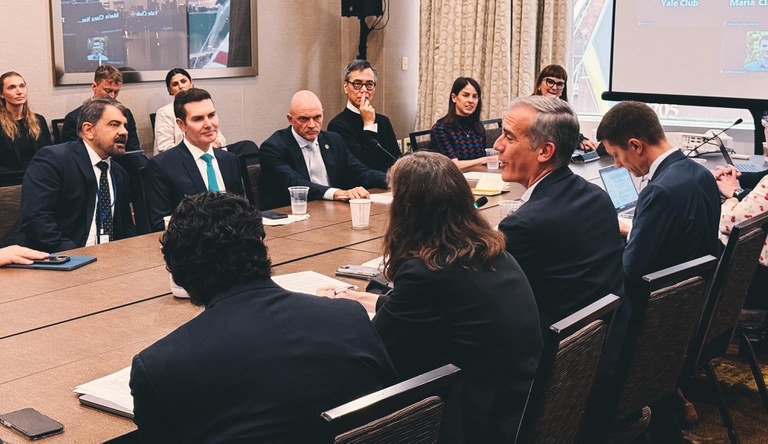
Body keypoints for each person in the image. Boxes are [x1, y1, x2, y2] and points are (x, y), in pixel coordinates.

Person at [129, 192, 397, 442]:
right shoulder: (347, 316)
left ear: (179, 275)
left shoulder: (158, 367)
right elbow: (396, 406)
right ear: (261, 251)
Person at [323, 152, 542, 442]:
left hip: (471, 425)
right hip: (518, 410)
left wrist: (331, 317)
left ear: (407, 209)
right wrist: (363, 300)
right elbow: (439, 309)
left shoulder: (427, 272)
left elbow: (378, 353)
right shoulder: (494, 252)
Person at [495, 96, 624, 329]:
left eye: (509, 136)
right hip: (600, 342)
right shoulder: (598, 197)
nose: (498, 145)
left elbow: (494, 302)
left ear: (545, 151)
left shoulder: (523, 225)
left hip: (552, 356)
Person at [597, 101, 720, 298]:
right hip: (693, 299)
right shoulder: (702, 174)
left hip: (659, 309)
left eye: (616, 155)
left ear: (635, 146)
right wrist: (634, 232)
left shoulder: (659, 192)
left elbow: (631, 272)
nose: (618, 165)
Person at [14, 97, 136, 252]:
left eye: (124, 125)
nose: (124, 132)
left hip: (108, 260)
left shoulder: (119, 174)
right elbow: (37, 221)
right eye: (114, 124)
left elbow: (125, 225)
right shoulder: (53, 160)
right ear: (88, 130)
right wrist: (78, 255)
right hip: (57, 259)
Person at [259, 90, 387, 210]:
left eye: (317, 117)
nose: (312, 125)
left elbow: (360, 171)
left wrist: (393, 180)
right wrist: (338, 193)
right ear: (290, 119)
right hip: (293, 215)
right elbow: (296, 184)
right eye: (304, 119)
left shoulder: (333, 140)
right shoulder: (273, 147)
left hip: (333, 211)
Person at [145, 88, 242, 232]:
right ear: (181, 124)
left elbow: (242, 211)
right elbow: (161, 224)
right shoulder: (162, 166)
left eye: (211, 115)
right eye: (198, 119)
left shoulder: (230, 160)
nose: (209, 124)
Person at [327, 59, 401, 172]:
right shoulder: (337, 125)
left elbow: (396, 160)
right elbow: (362, 166)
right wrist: (368, 125)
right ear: (346, 87)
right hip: (358, 187)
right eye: (357, 84)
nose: (364, 90)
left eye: (369, 84)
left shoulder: (383, 121)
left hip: (389, 184)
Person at [713, 165, 768, 312]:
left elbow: (728, 222)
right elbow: (762, 177)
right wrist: (733, 177)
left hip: (755, 284)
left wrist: (734, 195)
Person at [62, 65, 141, 153]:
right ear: (94, 86)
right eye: (108, 91)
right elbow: (73, 155)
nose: (112, 96)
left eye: (116, 92)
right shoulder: (73, 119)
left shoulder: (125, 114)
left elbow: (134, 151)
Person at [153, 68, 226, 155]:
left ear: (191, 83)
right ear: (170, 90)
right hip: (179, 159)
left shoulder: (203, 106)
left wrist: (214, 144)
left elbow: (220, 138)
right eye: (175, 84)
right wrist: (196, 151)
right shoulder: (164, 112)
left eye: (183, 81)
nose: (181, 86)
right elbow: (165, 147)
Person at [430, 77, 494, 170]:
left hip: (479, 177)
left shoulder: (478, 126)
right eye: (465, 95)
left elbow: (486, 154)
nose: (470, 101)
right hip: (451, 180)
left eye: (475, 97)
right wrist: (485, 160)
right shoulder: (441, 129)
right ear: (454, 98)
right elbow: (453, 165)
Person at [532, 64, 598, 151]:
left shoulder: (563, 110)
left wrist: (581, 141)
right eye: (550, 82)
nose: (555, 88)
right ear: (540, 84)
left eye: (559, 84)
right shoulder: (527, 107)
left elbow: (568, 133)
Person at [0, 71, 51, 172]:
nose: (19, 91)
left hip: (39, 177)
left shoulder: (39, 120)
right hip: (9, 181)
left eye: (22, 86)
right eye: (12, 87)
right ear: (2, 94)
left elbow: (49, 154)